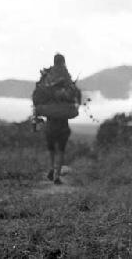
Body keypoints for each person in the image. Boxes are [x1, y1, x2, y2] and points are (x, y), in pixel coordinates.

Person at [45, 53, 72, 185]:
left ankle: (51, 168)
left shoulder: (48, 76)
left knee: (51, 148)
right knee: (61, 149)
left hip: (50, 120)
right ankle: (56, 176)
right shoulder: (66, 76)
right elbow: (72, 95)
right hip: (62, 121)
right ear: (63, 61)